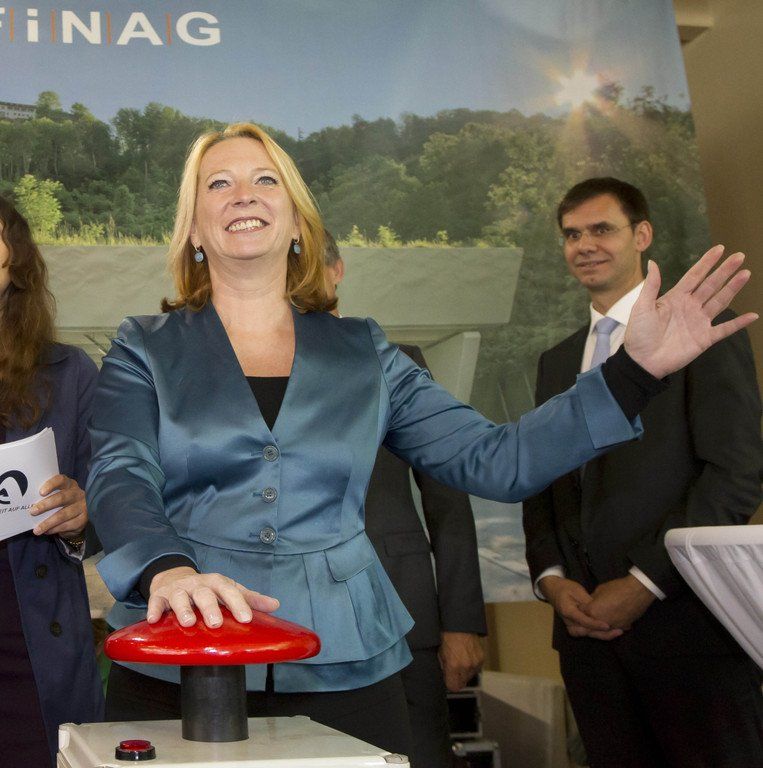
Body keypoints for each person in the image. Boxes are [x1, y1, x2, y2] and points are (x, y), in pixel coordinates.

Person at [86, 123, 754, 757]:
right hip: (178, 650)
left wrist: (632, 374)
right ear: (193, 228)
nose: (244, 195)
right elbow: (120, 473)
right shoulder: (144, 347)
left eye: (266, 180)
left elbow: (495, 459)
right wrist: (168, 569)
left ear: (296, 223)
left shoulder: (364, 350)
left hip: (346, 657)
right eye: (218, 184)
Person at [522, 177, 763, 768]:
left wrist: (644, 582)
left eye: (602, 229)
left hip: (689, 631)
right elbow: (541, 483)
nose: (585, 245)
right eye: (572, 235)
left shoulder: (703, 333)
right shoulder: (555, 361)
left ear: (642, 235)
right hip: (586, 642)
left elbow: (736, 473)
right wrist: (551, 578)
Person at [323, 231, 485, 767]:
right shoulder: (247, 375)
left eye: (307, 266)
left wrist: (461, 622)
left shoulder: (398, 364)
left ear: (337, 270)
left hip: (401, 616)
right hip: (295, 631)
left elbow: (448, 500)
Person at [0, 197, 104, 767]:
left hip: (32, 646)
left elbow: (110, 501)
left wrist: (81, 515)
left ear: (14, 263)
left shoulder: (68, 374)